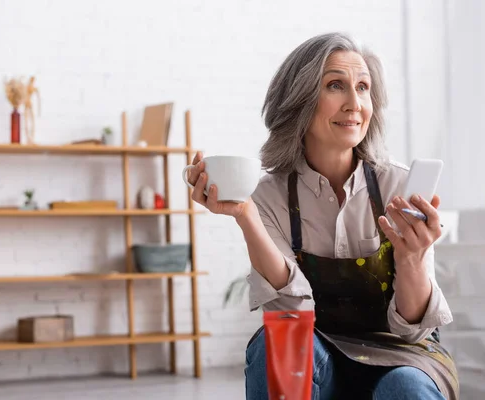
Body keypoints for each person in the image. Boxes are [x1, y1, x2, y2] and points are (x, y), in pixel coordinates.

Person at [185, 32, 458, 400]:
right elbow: (289, 313)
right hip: (316, 357)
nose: (354, 103)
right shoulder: (268, 195)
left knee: (406, 387)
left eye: (363, 88)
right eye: (335, 86)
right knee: (279, 343)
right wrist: (245, 215)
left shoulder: (400, 185)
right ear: (300, 101)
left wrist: (412, 259)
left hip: (401, 356)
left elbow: (412, 331)